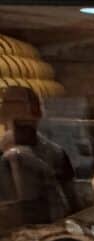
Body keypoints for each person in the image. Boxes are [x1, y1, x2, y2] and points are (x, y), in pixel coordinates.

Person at [0, 85, 76, 224]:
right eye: (12, 107)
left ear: (38, 114)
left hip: (49, 227)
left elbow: (71, 203)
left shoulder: (56, 154)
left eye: (26, 108)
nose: (21, 114)